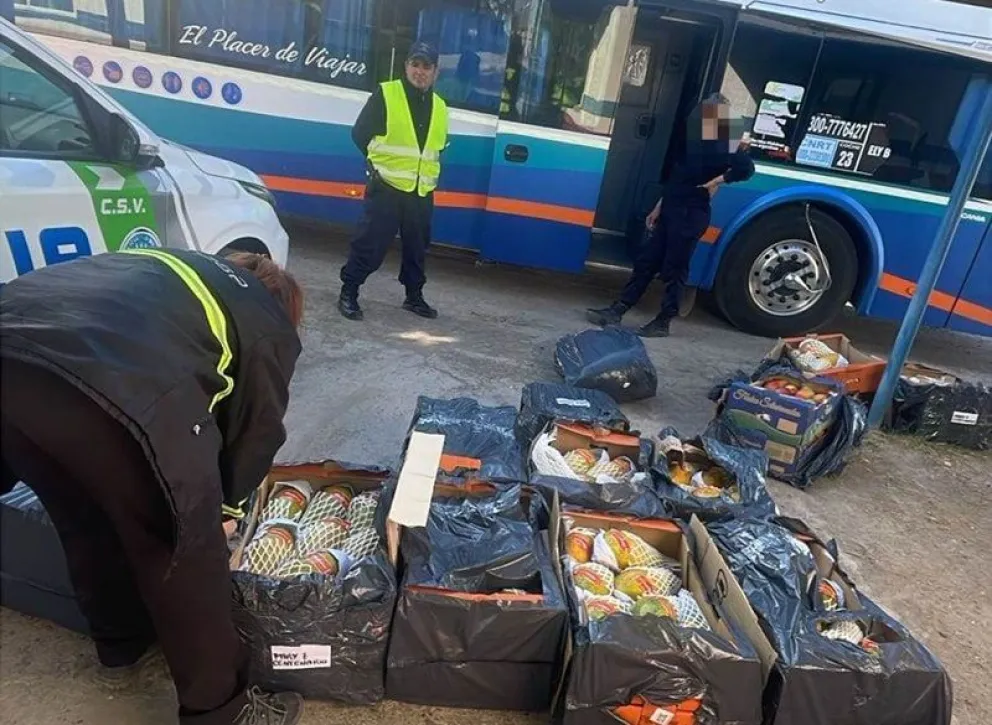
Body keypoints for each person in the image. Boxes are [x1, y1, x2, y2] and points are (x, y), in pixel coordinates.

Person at [0, 248, 305, 725]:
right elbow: (256, 429)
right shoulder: (265, 318)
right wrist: (223, 511)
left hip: (11, 358)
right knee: (184, 550)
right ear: (283, 303)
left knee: (84, 514)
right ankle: (224, 712)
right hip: (105, 384)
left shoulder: (164, 265)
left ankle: (120, 644)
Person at [587, 93, 755, 337]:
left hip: (690, 213)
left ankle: (664, 320)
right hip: (672, 207)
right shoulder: (695, 141)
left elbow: (746, 169)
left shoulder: (724, 143)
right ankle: (618, 309)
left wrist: (717, 181)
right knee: (647, 262)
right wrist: (659, 206)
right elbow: (677, 177)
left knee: (674, 269)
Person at [338, 41, 449, 321]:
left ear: (435, 71)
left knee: (417, 249)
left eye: (426, 66)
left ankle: (414, 297)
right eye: (415, 64)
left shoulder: (440, 106)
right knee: (370, 244)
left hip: (421, 191)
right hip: (387, 187)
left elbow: (435, 149)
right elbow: (360, 133)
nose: (420, 71)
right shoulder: (387, 94)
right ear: (406, 66)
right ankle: (349, 292)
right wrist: (376, 164)